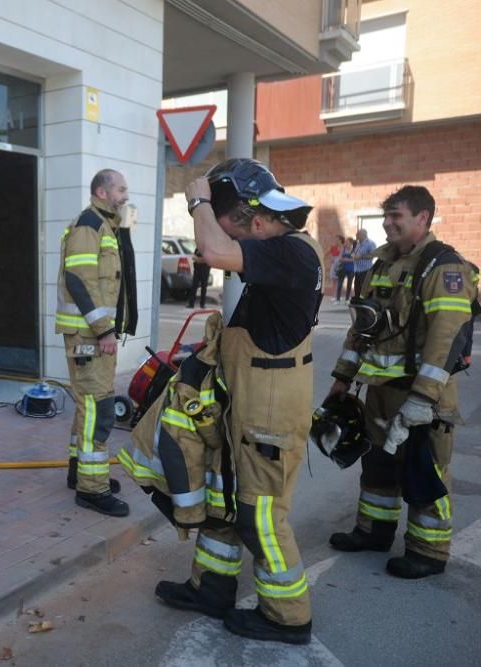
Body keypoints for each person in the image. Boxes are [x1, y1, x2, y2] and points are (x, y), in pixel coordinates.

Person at [155, 158, 322, 645]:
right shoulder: (282, 251)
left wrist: (199, 201)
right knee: (226, 500)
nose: (232, 243)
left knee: (261, 515)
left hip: (270, 414)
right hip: (251, 406)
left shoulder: (291, 252)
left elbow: (212, 249)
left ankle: (288, 616)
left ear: (256, 217)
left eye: (236, 230)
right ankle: (211, 589)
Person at [324, 186, 477, 579]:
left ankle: (428, 551)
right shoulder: (380, 265)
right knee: (378, 465)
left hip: (422, 395)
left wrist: (422, 399)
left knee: (425, 470)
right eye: (386, 216)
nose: (389, 223)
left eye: (398, 216)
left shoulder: (442, 267)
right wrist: (342, 379)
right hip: (380, 392)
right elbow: (362, 329)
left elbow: (447, 337)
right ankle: (374, 531)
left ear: (423, 219)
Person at [55, 169, 138, 517]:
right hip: (90, 336)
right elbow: (78, 279)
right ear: (102, 191)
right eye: (121, 189)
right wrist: (104, 330)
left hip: (94, 334)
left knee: (88, 407)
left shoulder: (107, 226)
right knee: (98, 410)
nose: (125, 195)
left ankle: (80, 473)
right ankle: (92, 489)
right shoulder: (89, 224)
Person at [352, 228, 377, 296]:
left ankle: (365, 303)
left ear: (363, 235)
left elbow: (373, 255)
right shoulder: (358, 244)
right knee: (357, 289)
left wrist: (360, 257)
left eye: (357, 234)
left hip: (366, 270)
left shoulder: (370, 243)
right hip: (357, 270)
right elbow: (355, 253)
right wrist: (353, 255)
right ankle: (358, 303)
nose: (356, 236)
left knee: (364, 289)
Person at [336, 237, 355, 302]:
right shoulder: (343, 249)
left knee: (349, 285)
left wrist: (345, 259)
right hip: (342, 269)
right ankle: (337, 299)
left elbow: (354, 260)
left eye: (347, 242)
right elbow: (340, 258)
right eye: (345, 242)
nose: (345, 243)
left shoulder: (354, 250)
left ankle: (347, 299)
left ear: (351, 243)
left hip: (351, 269)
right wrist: (349, 260)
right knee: (339, 284)